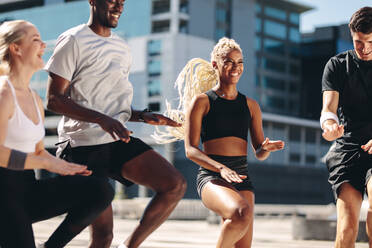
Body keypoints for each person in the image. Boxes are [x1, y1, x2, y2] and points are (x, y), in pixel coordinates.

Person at [45, 0, 187, 248]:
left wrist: (143, 116)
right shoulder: (73, 40)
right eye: (113, 0)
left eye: (122, 2)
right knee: (103, 236)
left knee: (174, 184)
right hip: (82, 145)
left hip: (116, 140)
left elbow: (111, 106)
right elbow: (54, 100)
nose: (119, 6)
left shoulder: (122, 47)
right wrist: (102, 119)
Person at [153, 38, 285, 248]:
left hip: (242, 176)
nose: (236, 67)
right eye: (229, 62)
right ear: (215, 64)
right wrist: (221, 168)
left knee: (242, 243)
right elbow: (190, 150)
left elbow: (259, 152)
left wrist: (265, 149)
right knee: (241, 212)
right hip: (212, 176)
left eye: (240, 62)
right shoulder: (202, 102)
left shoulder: (251, 105)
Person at [0, 20, 114, 248]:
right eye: (35, 39)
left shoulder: (34, 98)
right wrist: (50, 165)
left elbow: (39, 151)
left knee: (98, 189)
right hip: (2, 195)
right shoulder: (3, 93)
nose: (43, 45)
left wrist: (68, 168)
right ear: (16, 48)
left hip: (25, 190)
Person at [321, 6, 372, 248]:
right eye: (359, 42)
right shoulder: (337, 65)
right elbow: (328, 108)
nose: (365, 48)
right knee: (347, 229)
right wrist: (329, 124)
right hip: (348, 148)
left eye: (371, 41)